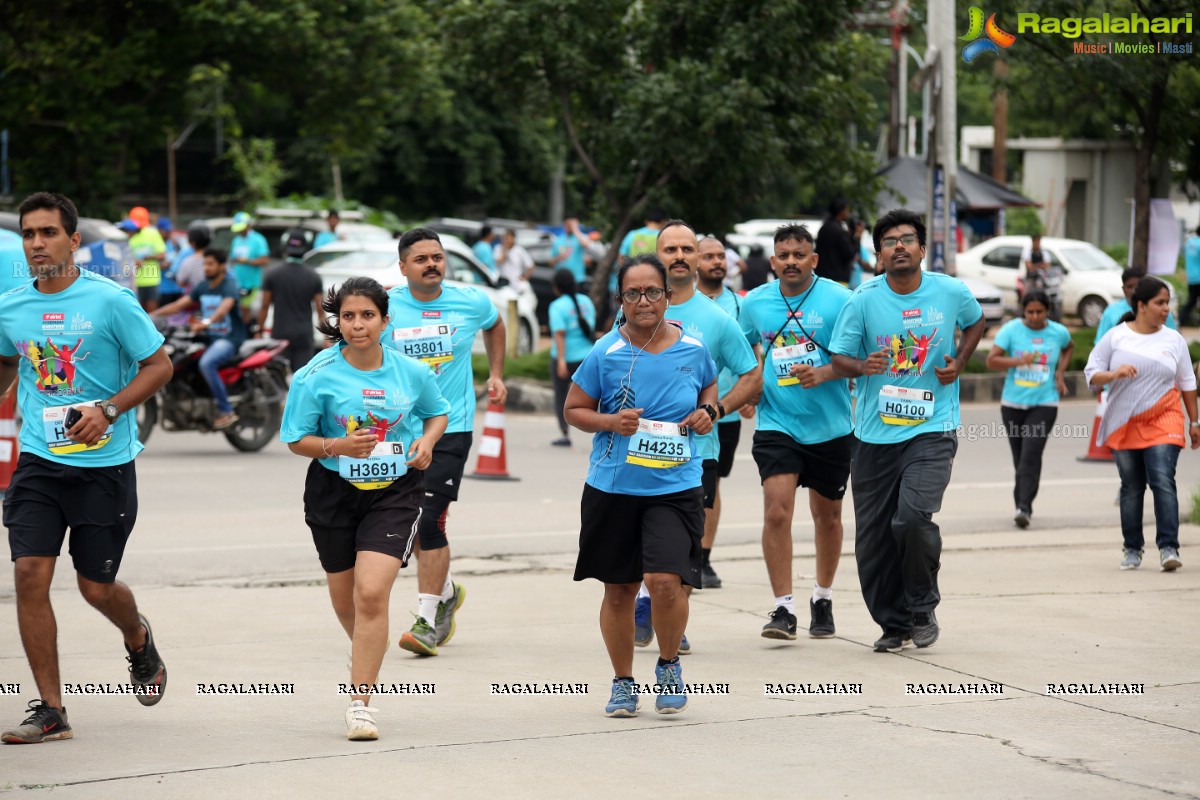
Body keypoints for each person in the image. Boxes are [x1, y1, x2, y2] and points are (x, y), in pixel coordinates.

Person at [0, 192, 172, 744]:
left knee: (96, 588)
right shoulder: (12, 305)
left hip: (105, 466)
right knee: (29, 575)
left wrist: (109, 409)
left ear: (74, 241)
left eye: (48, 233)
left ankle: (138, 638)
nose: (36, 244)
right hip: (39, 463)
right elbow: (8, 359)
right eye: (28, 234)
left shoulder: (112, 301)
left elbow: (159, 364)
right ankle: (51, 709)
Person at [280, 276, 450, 740]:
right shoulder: (315, 376)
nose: (358, 325)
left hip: (395, 492)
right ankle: (362, 652)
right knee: (347, 601)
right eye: (348, 317)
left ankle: (361, 703)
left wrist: (426, 440)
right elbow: (296, 439)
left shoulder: (410, 372)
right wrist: (337, 446)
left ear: (385, 320)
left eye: (367, 315)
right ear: (338, 322)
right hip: (333, 493)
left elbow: (438, 412)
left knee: (372, 593)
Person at [564, 254, 718, 717]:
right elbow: (574, 409)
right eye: (633, 293)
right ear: (621, 300)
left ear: (668, 297)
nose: (644, 301)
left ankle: (669, 665)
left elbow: (709, 387)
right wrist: (611, 421)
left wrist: (708, 412)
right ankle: (623, 682)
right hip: (613, 487)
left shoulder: (693, 347)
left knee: (667, 582)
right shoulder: (605, 352)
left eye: (653, 291)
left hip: (676, 484)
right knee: (619, 590)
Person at [830, 208, 985, 653]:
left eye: (907, 239)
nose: (899, 246)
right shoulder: (863, 299)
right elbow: (840, 359)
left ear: (922, 249)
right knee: (875, 540)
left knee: (913, 519)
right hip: (874, 436)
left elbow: (976, 322)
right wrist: (862, 365)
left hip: (933, 428)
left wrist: (961, 360)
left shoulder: (950, 291)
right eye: (889, 241)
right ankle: (894, 623)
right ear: (878, 253)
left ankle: (921, 605)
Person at [631, 222, 760, 651]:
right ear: (658, 254)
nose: (680, 255)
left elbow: (751, 375)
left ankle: (669, 618)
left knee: (682, 549)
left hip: (695, 453)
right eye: (671, 248)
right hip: (637, 452)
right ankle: (653, 602)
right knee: (641, 546)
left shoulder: (717, 318)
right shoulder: (636, 309)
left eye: (688, 248)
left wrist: (716, 409)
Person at [383, 228, 507, 656]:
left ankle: (426, 620)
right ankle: (447, 592)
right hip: (397, 430)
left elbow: (496, 324)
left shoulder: (470, 301)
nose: (432, 264)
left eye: (437, 257)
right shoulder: (387, 307)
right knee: (408, 521)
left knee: (430, 515)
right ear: (403, 268)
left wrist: (495, 373)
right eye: (421, 259)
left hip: (451, 427)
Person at [738, 224, 854, 640]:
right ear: (772, 262)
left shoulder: (840, 300)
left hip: (831, 427)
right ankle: (783, 608)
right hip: (777, 423)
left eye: (799, 254)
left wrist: (824, 373)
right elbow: (742, 350)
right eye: (783, 255)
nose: (791, 261)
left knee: (828, 517)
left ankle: (821, 597)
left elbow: (857, 355)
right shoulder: (755, 302)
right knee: (777, 511)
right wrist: (747, 391)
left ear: (814, 260)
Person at [1085, 276, 1198, 572]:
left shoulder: (1173, 339)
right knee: (1132, 487)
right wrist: (1114, 374)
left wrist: (1195, 421)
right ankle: (1132, 548)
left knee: (1162, 479)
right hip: (1124, 420)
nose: (1166, 309)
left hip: (1165, 418)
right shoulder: (1116, 337)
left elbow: (1187, 382)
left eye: (1167, 303)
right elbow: (1092, 373)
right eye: (1160, 303)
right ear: (1141, 305)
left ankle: (1169, 547)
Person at [985, 290, 1074, 529]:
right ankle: (1022, 505)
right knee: (1020, 459)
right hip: (1013, 404)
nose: (1035, 317)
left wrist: (1060, 372)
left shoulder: (1058, 332)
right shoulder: (1011, 330)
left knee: (1031, 454)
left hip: (1045, 402)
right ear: (1023, 311)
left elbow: (1069, 348)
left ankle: (1023, 506)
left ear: (1048, 312)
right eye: (1030, 312)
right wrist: (1018, 361)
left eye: (1040, 312)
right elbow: (991, 360)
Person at [694, 235, 748, 589]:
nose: (717, 261)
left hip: (725, 412)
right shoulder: (683, 303)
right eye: (709, 256)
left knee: (714, 485)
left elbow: (753, 352)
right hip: (687, 415)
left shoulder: (739, 306)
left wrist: (748, 395)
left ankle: (704, 558)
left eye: (721, 256)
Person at [152, 248, 247, 429]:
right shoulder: (203, 286)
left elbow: (224, 309)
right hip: (207, 338)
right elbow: (179, 305)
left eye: (211, 264)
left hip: (229, 338)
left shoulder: (229, 286)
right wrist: (151, 315)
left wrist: (207, 322)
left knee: (207, 363)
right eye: (205, 264)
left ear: (221, 266)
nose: (206, 268)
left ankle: (226, 410)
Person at [258, 229, 324, 371]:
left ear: (285, 249)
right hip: (304, 334)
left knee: (280, 376)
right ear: (305, 249)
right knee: (302, 376)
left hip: (280, 332)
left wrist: (259, 330)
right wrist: (327, 336)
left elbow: (264, 305)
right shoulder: (313, 276)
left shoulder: (272, 274)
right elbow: (320, 309)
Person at [548, 269, 596, 447]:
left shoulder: (557, 306)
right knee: (596, 397)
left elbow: (559, 334)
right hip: (588, 357)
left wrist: (560, 360)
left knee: (561, 396)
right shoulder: (586, 301)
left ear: (557, 287)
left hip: (567, 358)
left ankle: (564, 433)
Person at [1097, 268, 1178, 344]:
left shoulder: (1163, 314)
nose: (1133, 290)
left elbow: (1174, 342)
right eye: (1130, 287)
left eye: (1137, 286)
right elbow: (1101, 344)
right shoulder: (1111, 311)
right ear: (1123, 289)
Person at [229, 211, 270, 324]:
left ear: (248, 225)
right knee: (239, 310)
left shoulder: (258, 240)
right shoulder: (236, 240)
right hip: (237, 282)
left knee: (247, 310)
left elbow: (265, 260)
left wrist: (248, 261)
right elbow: (233, 258)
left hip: (252, 283)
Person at [127, 206, 166, 312]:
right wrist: (133, 262)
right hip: (134, 282)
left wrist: (149, 257)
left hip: (151, 280)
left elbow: (162, 255)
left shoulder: (153, 233)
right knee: (138, 313)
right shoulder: (128, 234)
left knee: (151, 315)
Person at [814, 197, 861, 285]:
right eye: (847, 209)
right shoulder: (838, 230)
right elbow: (850, 253)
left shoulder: (824, 228)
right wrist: (857, 236)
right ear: (841, 211)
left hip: (821, 278)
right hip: (838, 279)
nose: (848, 212)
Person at [551, 217, 589, 283]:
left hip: (577, 278)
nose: (570, 227)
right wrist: (558, 258)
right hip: (562, 278)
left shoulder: (581, 237)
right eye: (568, 225)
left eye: (572, 225)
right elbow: (551, 262)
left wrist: (575, 230)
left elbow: (585, 245)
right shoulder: (558, 240)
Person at [1183, 226, 1200, 327]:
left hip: (1191, 277)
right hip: (1199, 277)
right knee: (1192, 300)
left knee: (1191, 300)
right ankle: (1183, 317)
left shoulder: (1189, 243)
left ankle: (1183, 317)